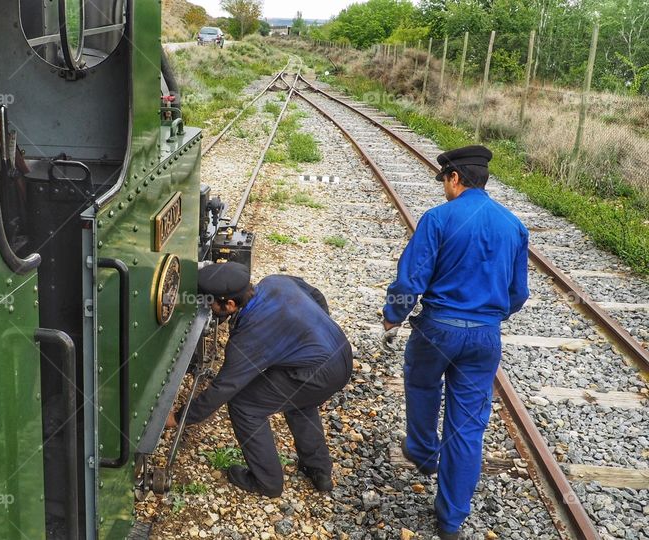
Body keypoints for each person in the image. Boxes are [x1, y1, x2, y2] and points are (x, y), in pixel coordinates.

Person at [381, 145, 530, 540]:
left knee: (421, 382)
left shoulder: (437, 219)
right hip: (484, 337)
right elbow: (518, 294)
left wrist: (392, 316)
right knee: (467, 427)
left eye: (444, 180)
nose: (444, 188)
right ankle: (450, 520)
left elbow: (410, 279)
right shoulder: (513, 225)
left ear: (454, 178)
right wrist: (485, 319)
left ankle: (423, 451)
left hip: (437, 329)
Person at [167, 262, 353, 498]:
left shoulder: (248, 337)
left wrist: (180, 417)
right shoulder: (276, 281)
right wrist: (312, 332)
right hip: (340, 352)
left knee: (245, 405)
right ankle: (319, 471)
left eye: (210, 302)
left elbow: (224, 388)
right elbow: (316, 294)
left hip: (317, 372)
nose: (208, 307)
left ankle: (267, 482)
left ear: (230, 304)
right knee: (299, 400)